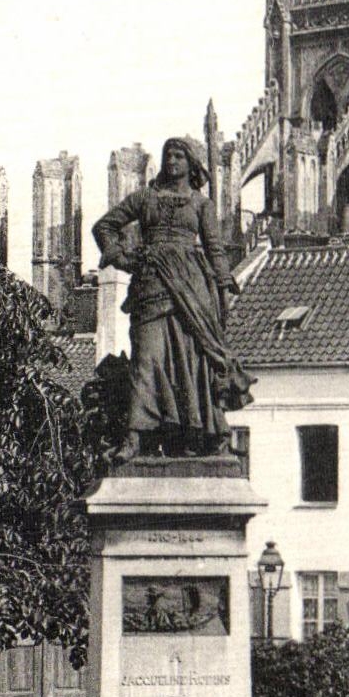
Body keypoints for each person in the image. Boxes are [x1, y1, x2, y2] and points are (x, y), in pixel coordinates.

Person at [92, 136, 253, 458]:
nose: (172, 161)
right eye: (168, 155)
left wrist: (223, 284)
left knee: (191, 362)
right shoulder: (145, 198)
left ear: (191, 163)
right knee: (146, 359)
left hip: (192, 290)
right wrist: (121, 258)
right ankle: (136, 436)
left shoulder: (201, 204)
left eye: (179, 156)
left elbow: (215, 248)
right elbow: (104, 227)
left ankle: (197, 434)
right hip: (151, 286)